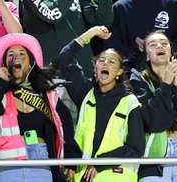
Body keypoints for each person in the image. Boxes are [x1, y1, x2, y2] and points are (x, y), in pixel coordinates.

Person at [0, 33, 82, 182]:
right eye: (11, 54)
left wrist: (71, 157)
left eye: (22, 54)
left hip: (41, 160)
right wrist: (0, 81)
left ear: (30, 62)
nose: (16, 57)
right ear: (5, 63)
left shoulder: (46, 95)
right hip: (8, 164)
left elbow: (65, 123)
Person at [59, 26, 145, 181]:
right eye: (101, 60)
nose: (105, 64)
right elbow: (66, 58)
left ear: (119, 72)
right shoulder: (85, 93)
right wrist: (89, 35)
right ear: (95, 69)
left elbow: (136, 148)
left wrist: (100, 163)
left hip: (116, 177)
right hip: (83, 177)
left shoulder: (130, 102)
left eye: (112, 62)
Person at [129, 32, 177, 181]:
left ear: (170, 51)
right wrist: (165, 84)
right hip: (153, 154)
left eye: (164, 43)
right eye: (153, 44)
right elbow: (154, 122)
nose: (159, 46)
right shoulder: (138, 80)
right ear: (146, 56)